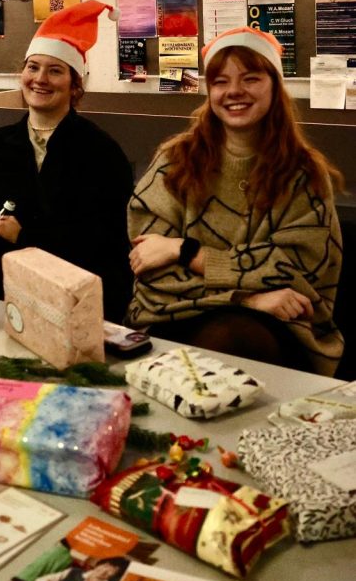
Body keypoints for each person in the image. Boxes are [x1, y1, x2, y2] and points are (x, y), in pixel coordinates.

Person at [128, 27, 344, 375]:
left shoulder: (304, 175)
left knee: (236, 338)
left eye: (250, 78)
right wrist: (247, 299)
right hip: (174, 314)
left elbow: (295, 274)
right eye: (220, 81)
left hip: (279, 326)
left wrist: (188, 252)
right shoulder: (174, 163)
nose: (234, 91)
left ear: (275, 86)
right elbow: (151, 270)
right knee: (225, 337)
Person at [0, 0, 134, 323]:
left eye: (55, 71)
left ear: (75, 86)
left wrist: (24, 236)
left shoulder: (100, 151)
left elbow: (108, 242)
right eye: (33, 67)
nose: (40, 79)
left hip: (70, 299)